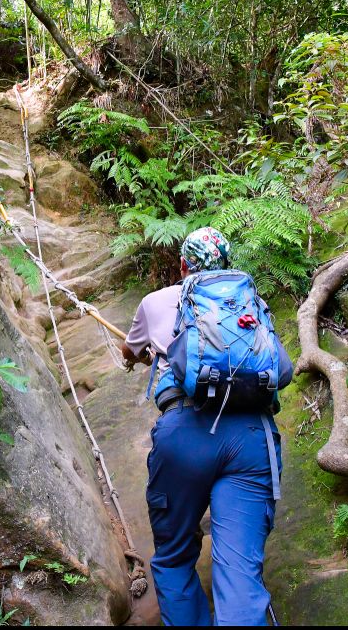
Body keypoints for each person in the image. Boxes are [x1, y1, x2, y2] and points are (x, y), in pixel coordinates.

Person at [121, 227, 294, 627]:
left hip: (185, 436)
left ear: (183, 265)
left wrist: (142, 356)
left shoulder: (155, 302)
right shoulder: (250, 302)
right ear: (228, 265)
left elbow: (129, 350)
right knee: (240, 575)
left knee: (174, 558)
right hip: (252, 437)